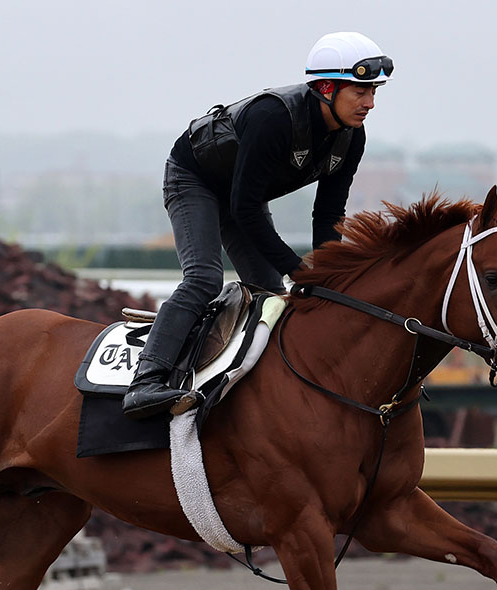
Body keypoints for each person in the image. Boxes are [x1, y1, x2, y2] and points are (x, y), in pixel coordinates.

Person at [122, 31, 393, 420]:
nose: (369, 103)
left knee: (270, 295)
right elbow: (245, 209)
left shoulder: (352, 137)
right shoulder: (273, 118)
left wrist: (330, 274)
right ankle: (146, 382)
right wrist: (299, 270)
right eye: (360, 92)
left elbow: (328, 215)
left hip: (240, 195)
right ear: (327, 88)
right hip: (194, 179)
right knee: (203, 278)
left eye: (373, 93)